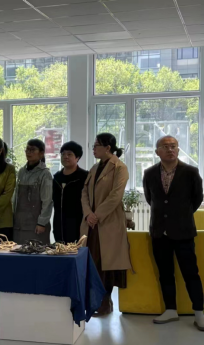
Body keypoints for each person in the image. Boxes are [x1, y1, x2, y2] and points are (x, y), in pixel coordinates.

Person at [143, 135, 204, 330]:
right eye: (165, 146)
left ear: (178, 149)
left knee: (191, 273)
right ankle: (170, 310)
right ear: (157, 151)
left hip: (183, 231)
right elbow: (150, 198)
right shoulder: (149, 173)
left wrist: (181, 215)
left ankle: (199, 313)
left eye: (174, 146)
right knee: (165, 273)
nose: (170, 149)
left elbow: (197, 199)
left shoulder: (191, 172)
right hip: (159, 232)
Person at [81, 133, 132, 316]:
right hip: (91, 224)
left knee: (107, 264)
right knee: (93, 262)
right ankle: (95, 302)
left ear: (108, 147)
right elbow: (84, 193)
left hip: (108, 222)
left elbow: (115, 196)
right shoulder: (95, 168)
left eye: (96, 145)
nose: (93, 149)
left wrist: (97, 215)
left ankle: (105, 302)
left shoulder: (120, 168)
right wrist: (88, 213)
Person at [13, 139, 53, 245]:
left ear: (41, 153)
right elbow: (15, 198)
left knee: (36, 251)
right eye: (27, 149)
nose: (29, 152)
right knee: (18, 252)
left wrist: (42, 223)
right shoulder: (21, 171)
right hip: (19, 224)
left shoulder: (45, 174)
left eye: (32, 150)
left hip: (36, 225)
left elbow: (47, 201)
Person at [53, 141, 89, 243]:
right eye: (63, 154)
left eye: (69, 154)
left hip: (78, 223)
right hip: (59, 224)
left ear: (77, 158)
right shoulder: (56, 178)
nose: (65, 157)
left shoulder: (84, 177)